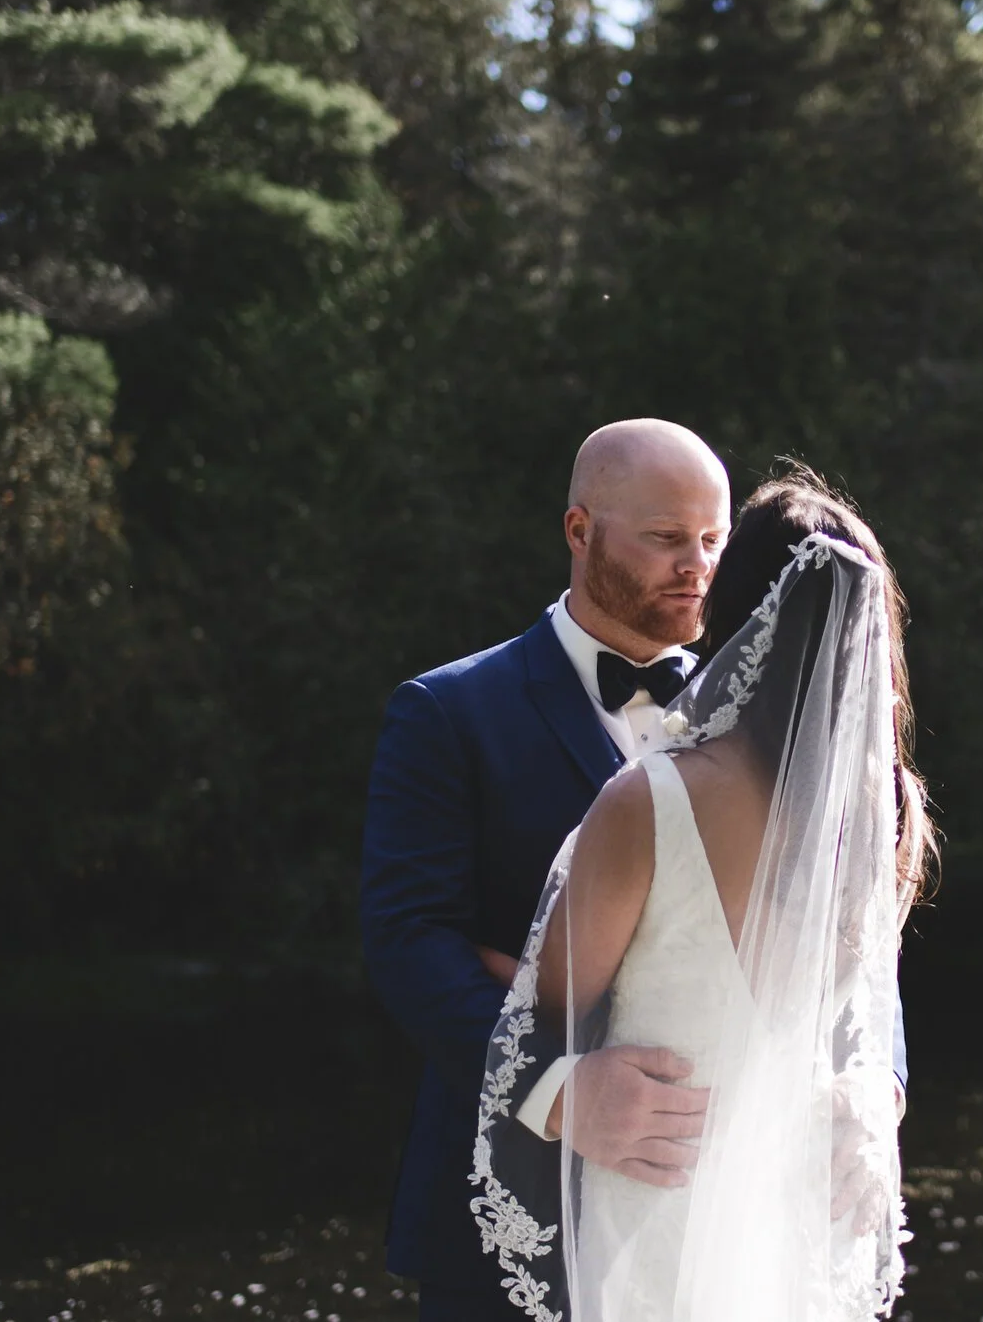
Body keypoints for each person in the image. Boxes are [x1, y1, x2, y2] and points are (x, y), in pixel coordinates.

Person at [361, 425, 914, 1320]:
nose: (697, 565)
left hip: (740, 1217)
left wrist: (874, 1087)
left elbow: (846, 919)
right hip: (506, 1215)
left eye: (713, 540)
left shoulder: (791, 716)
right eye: (666, 538)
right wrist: (559, 1089)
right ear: (580, 530)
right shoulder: (449, 712)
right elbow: (407, 938)